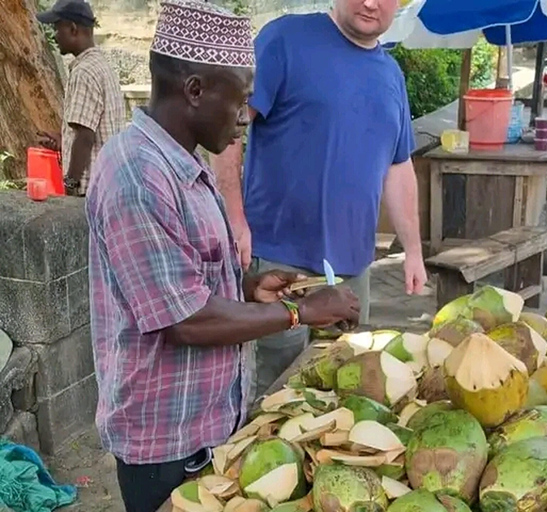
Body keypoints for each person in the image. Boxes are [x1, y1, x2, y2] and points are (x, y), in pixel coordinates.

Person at [85, 2, 360, 511]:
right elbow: (184, 320)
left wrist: (249, 287)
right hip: (165, 444)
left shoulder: (185, 162)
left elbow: (190, 278)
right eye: (240, 101)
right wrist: (300, 313)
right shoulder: (136, 175)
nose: (244, 119)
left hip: (208, 428)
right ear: (195, 91)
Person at [210, 0, 428, 398]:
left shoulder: (391, 75)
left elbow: (398, 167)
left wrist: (413, 250)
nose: (370, 3)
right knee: (270, 395)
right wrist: (233, 218)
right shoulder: (284, 40)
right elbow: (227, 129)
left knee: (344, 393)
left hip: (353, 271)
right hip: (277, 266)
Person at [36, 0, 124, 196]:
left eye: (57, 29)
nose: (55, 36)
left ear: (73, 29)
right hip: (108, 184)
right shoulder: (101, 66)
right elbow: (94, 131)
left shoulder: (83, 73)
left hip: (89, 191)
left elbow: (85, 137)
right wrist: (64, 140)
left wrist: (70, 185)